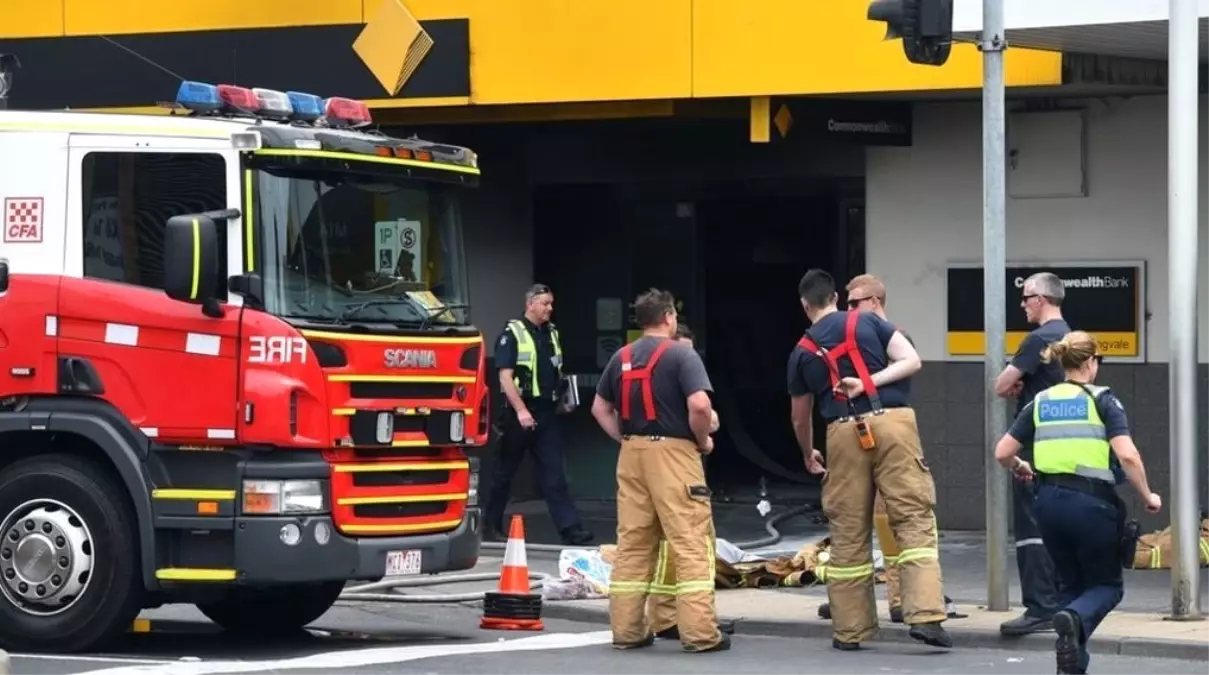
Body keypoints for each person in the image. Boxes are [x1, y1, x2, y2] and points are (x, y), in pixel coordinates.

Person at [787, 269, 950, 651]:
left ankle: (850, 630)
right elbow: (911, 361)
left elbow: (799, 415)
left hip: (842, 432)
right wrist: (870, 382)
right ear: (835, 299)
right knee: (913, 518)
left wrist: (808, 451)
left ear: (804, 305)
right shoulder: (870, 324)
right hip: (894, 424)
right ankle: (926, 616)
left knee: (848, 530)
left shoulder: (801, 351)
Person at [993, 331, 1161, 675]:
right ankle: (1072, 619)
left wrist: (1022, 467)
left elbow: (1003, 452)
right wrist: (1148, 496)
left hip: (1047, 504)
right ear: (1089, 362)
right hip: (1090, 504)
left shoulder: (1039, 401)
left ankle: (1071, 666)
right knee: (1107, 587)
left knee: (1071, 587)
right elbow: (1127, 455)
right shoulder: (1103, 399)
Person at [590, 289, 730, 653]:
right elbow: (700, 405)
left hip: (632, 455)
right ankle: (701, 634)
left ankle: (627, 631)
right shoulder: (682, 355)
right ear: (669, 317)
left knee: (634, 543)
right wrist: (701, 441)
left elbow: (599, 408)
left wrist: (625, 439)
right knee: (690, 543)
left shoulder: (621, 356)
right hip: (674, 454)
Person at [484, 283, 594, 546]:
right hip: (519, 414)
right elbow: (505, 378)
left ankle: (570, 529)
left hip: (547, 413)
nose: (549, 309)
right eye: (545, 303)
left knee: (554, 474)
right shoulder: (512, 333)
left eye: (551, 304)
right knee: (504, 474)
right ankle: (491, 526)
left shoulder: (552, 333)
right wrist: (521, 411)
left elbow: (555, 372)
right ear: (530, 304)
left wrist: (564, 400)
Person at [993, 271, 1071, 635]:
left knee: (1032, 528)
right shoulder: (1072, 337)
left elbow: (1001, 384)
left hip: (1037, 445)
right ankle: (1063, 602)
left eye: (1026, 297)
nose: (1022, 303)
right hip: (1070, 445)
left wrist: (1017, 383)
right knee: (1060, 526)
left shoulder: (1037, 339)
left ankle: (1040, 607)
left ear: (1041, 299)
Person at [645, 323, 732, 644]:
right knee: (693, 544)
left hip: (662, 466)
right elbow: (702, 414)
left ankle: (675, 617)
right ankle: (693, 624)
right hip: (679, 469)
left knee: (671, 545)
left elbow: (712, 417)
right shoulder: (669, 376)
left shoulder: (666, 371)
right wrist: (702, 438)